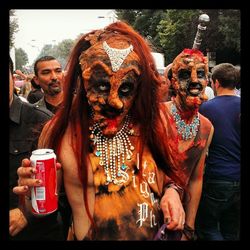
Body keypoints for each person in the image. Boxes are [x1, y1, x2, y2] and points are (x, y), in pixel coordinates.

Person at [13, 21, 186, 241]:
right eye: (102, 86)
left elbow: (173, 176)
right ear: (82, 80)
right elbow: (41, 204)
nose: (115, 102)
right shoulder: (59, 132)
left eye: (125, 88)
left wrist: (172, 192)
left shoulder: (155, 121)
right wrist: (28, 195)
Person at [160, 48, 214, 240]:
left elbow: (196, 180)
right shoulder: (157, 116)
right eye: (184, 75)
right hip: (149, 212)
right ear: (172, 82)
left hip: (180, 218)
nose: (194, 81)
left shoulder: (206, 127)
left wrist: (189, 230)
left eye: (200, 74)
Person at [9, 57, 64, 240]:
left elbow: (64, 186)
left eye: (57, 70)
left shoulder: (42, 122)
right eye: (46, 72)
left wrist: (26, 212)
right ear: (36, 80)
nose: (54, 77)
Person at [195, 63, 241, 240]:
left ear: (216, 83)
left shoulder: (207, 109)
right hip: (237, 177)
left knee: (208, 227)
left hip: (217, 177)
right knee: (231, 230)